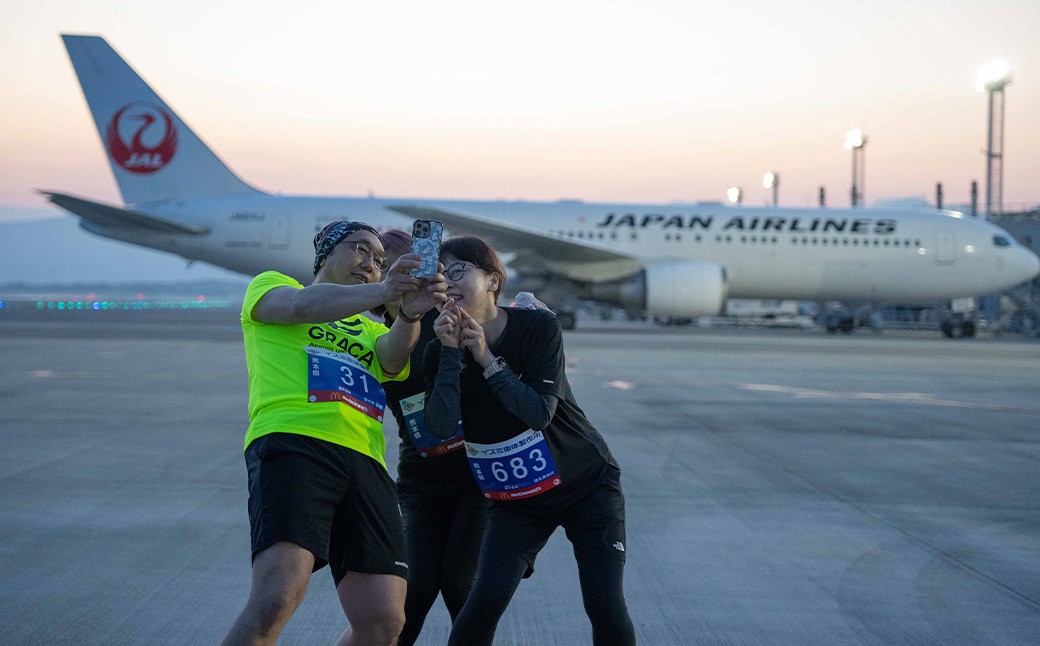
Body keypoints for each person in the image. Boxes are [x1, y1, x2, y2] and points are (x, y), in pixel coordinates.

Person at [223, 221, 446, 646]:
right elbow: (297, 309)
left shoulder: (373, 329)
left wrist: (412, 312)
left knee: (384, 621)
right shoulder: (273, 286)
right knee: (277, 596)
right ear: (325, 254)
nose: (371, 264)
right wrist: (383, 292)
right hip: (295, 442)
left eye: (380, 262)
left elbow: (394, 360)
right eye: (361, 250)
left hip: (365, 461)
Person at [424, 235, 636, 646]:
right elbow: (440, 426)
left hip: (586, 485)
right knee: (483, 603)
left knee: (604, 604)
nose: (447, 283)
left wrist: (486, 357)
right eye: (439, 277)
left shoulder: (538, 327)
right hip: (516, 500)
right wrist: (452, 354)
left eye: (458, 272)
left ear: (492, 280)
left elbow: (538, 413)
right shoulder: (439, 350)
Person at [376, 229, 489, 645]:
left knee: (462, 587)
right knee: (415, 590)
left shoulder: (450, 320)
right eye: (380, 269)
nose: (389, 275)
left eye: (398, 265)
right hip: (421, 479)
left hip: (475, 475)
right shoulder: (370, 334)